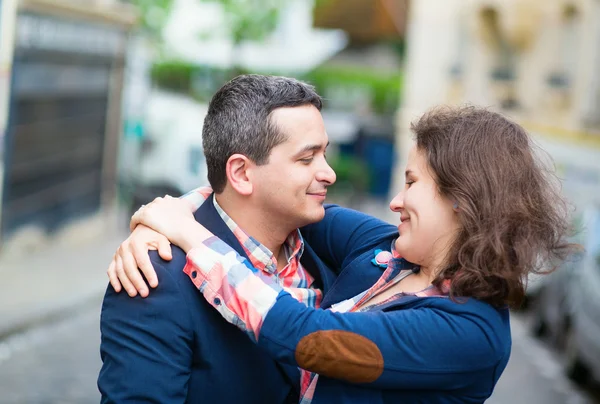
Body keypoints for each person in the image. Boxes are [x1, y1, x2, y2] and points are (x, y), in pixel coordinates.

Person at [110, 106, 576, 403]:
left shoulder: (469, 333)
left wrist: (190, 239)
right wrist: (165, 217)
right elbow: (263, 196)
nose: (396, 201)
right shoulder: (384, 250)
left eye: (412, 183)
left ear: (462, 198)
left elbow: (306, 339)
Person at [98, 75, 389, 403]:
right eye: (307, 159)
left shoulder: (329, 252)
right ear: (240, 173)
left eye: (324, 154)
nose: (329, 173)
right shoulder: (154, 279)